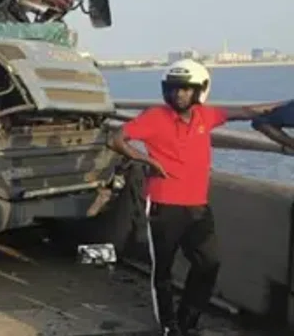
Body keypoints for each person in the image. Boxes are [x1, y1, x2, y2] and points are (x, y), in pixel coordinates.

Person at [108, 59, 278, 336]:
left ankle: (188, 320)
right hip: (164, 204)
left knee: (209, 264)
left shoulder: (205, 116)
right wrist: (147, 161)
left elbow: (246, 111)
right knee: (162, 271)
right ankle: (169, 326)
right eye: (174, 89)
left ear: (198, 91)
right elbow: (116, 139)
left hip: (198, 205)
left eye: (186, 89)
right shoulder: (155, 117)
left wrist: (284, 107)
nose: (180, 95)